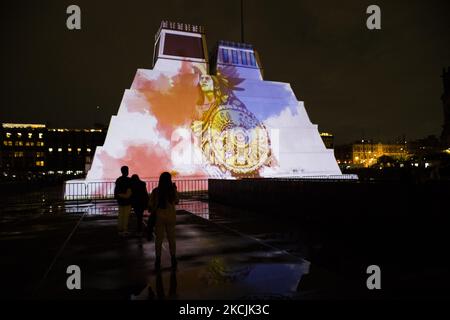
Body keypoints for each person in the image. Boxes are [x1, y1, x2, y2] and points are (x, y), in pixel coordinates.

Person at [148, 172, 179, 270]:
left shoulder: (156, 191)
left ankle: (158, 259)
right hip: (171, 217)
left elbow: (150, 204)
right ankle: (173, 258)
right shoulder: (172, 190)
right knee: (171, 239)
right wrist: (175, 190)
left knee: (159, 239)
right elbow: (177, 200)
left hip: (159, 217)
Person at [114, 166, 132, 236]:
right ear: (127, 171)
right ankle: (125, 229)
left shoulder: (118, 180)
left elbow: (116, 189)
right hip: (127, 200)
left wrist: (117, 196)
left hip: (120, 200)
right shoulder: (129, 180)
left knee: (121, 215)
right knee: (126, 216)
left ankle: (120, 229)